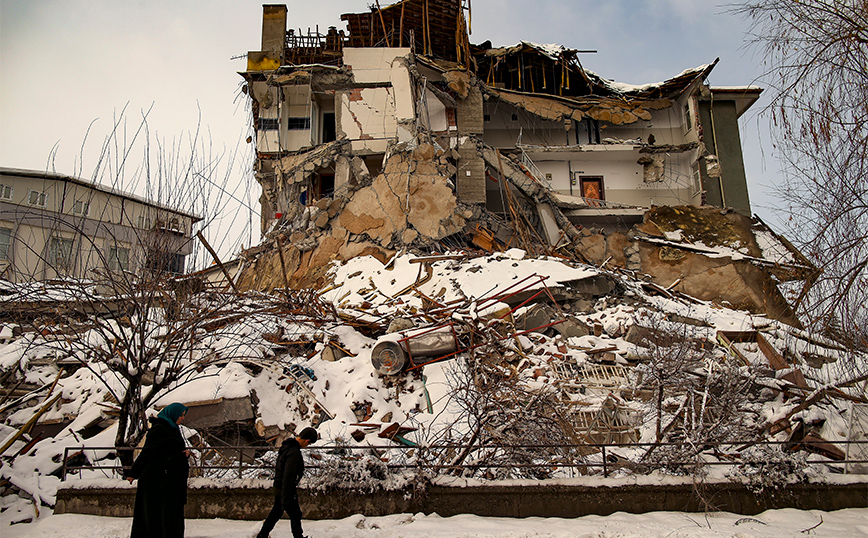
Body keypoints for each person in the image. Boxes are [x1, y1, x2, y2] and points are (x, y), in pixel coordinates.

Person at [124, 402, 190, 538]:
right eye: (181, 415)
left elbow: (168, 450)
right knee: (160, 516)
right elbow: (149, 452)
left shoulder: (171, 428)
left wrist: (183, 454)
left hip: (168, 481)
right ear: (173, 415)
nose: (182, 418)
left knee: (168, 516)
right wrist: (134, 473)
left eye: (183, 415)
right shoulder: (160, 429)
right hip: (159, 482)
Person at [256, 426, 319, 538]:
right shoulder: (294, 452)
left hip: (280, 486)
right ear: (307, 440)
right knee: (295, 514)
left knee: (277, 512)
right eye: (308, 444)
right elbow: (289, 475)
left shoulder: (287, 447)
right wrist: (287, 495)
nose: (307, 446)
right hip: (286, 488)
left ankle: (262, 535)